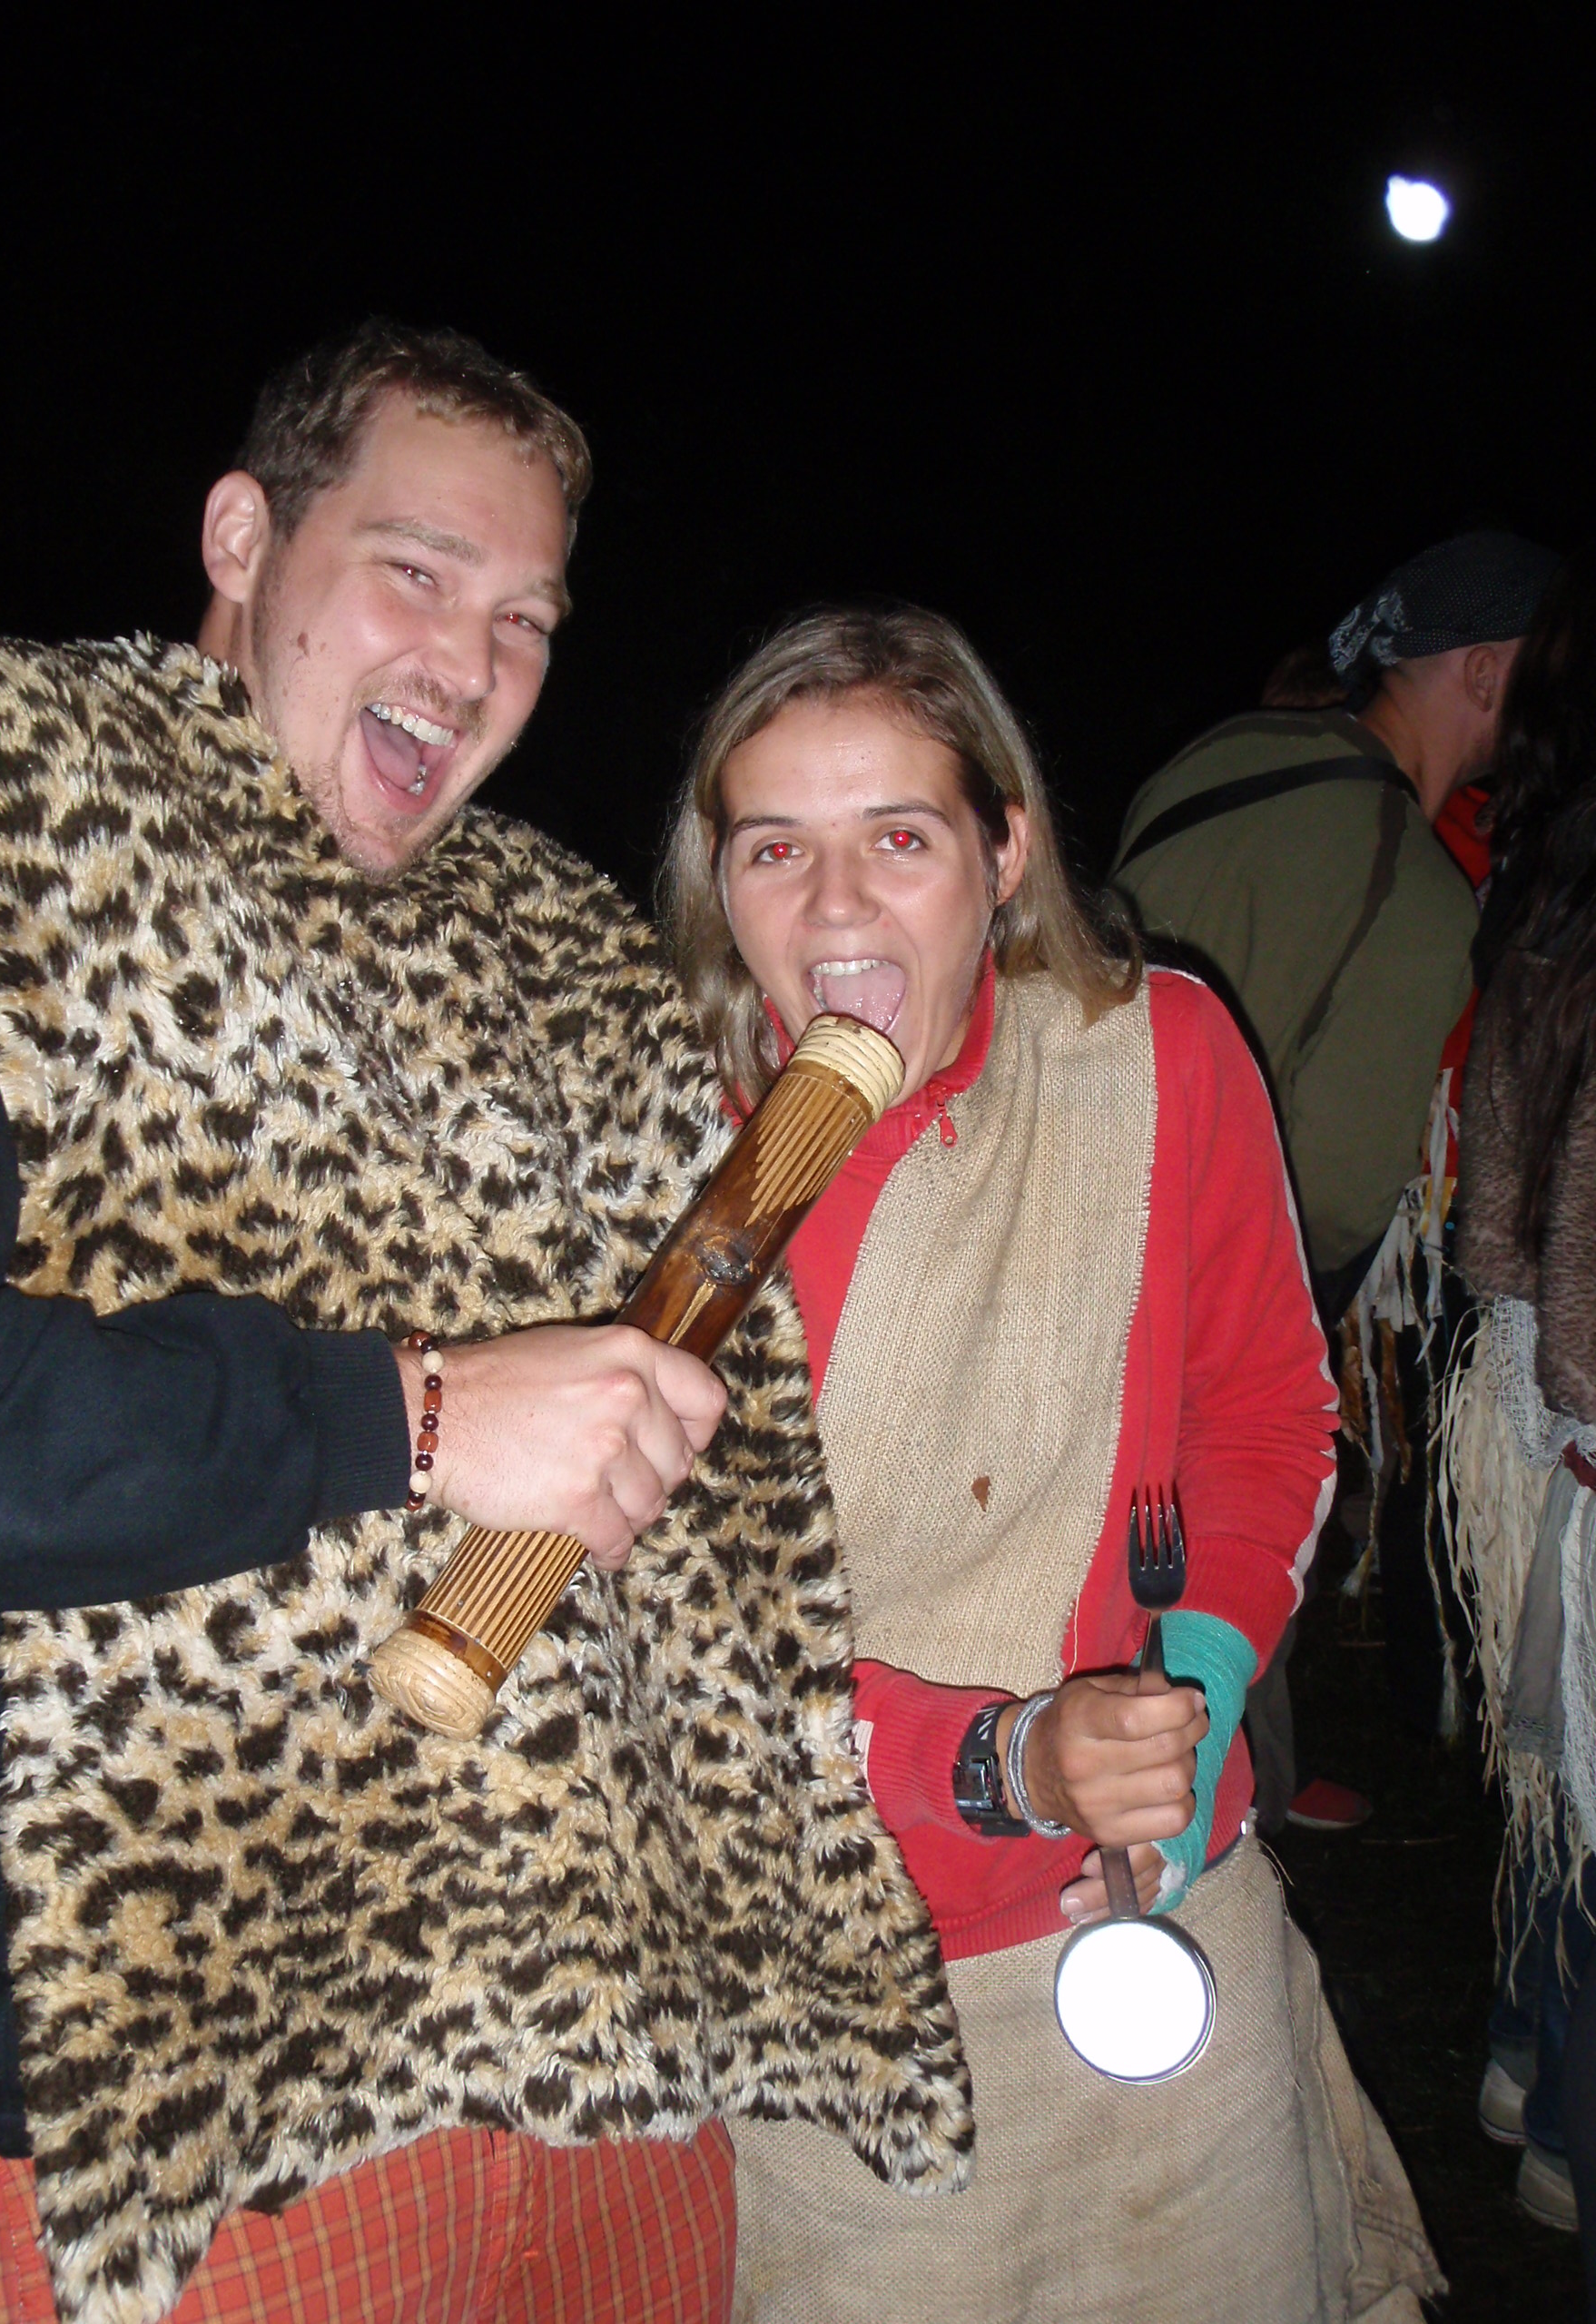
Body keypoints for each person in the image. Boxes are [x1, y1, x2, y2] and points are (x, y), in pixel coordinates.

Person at [0, 324, 971, 2324]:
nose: (472, 661)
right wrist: (423, 1415)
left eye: (527, 616)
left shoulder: (571, 949)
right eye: (417, 572)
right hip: (179, 2125)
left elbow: (739, 1528)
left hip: (601, 2080)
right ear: (242, 537)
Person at [662, 605, 1442, 2323]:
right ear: (719, 885)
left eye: (901, 839)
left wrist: (1194, 1704)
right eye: (774, 848)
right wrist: (1004, 1759)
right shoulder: (656, 1159)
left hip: (1145, 1928)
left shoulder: (1149, 1059)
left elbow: (1264, 1415)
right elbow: (663, 1644)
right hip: (825, 1983)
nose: (836, 907)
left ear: (1004, 854)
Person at [1115, 531, 1559, 1821]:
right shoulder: (1414, 886)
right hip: (1189, 1287)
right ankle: (1219, 1807)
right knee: (1222, 1538)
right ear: (1487, 672)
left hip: (1073, 1209)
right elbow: (1340, 1199)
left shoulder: (1226, 756)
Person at [1448, 546, 1596, 2274]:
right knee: (1571, 1777)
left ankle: (1528, 2068)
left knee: (1562, 1776)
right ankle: (1556, 2109)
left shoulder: (1545, 881)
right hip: (1566, 1407)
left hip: (1544, 1403)